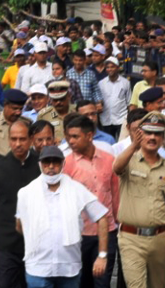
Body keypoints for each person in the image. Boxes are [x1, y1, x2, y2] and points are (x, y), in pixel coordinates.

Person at [112, 112, 165, 288]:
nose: (152, 137)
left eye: (157, 133)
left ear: (163, 137)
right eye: (148, 132)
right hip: (131, 238)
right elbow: (116, 168)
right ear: (140, 134)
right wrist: (134, 145)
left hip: (160, 239)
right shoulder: (129, 160)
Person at [14, 145, 110, 288]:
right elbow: (20, 226)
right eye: (47, 162)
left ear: (63, 164)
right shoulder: (26, 193)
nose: (51, 167)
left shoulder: (76, 189)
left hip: (69, 269)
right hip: (38, 268)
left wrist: (102, 255)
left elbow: (102, 217)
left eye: (56, 162)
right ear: (40, 165)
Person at [0, 120, 41, 286]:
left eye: (22, 139)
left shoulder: (41, 165)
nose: (17, 144)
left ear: (31, 139)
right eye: (14, 139)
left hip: (37, 244)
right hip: (5, 244)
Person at [61, 116, 120, 288]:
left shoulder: (109, 160)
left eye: (75, 136)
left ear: (89, 135)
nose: (70, 141)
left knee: (103, 282)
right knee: (82, 281)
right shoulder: (67, 164)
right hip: (79, 234)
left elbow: (115, 193)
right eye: (69, 136)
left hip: (107, 231)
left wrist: (117, 222)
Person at [99, 57, 130, 137]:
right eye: (108, 67)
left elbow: (129, 101)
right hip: (105, 120)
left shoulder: (125, 83)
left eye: (112, 67)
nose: (110, 69)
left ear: (117, 68)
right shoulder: (101, 83)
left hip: (121, 119)